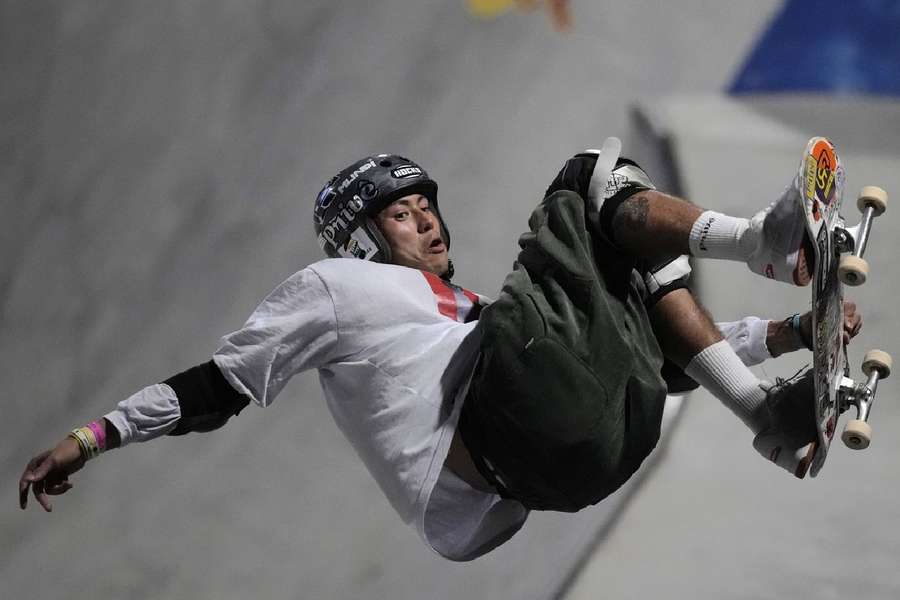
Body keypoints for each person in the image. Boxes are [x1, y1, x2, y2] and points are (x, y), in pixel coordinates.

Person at [19, 139, 862, 561]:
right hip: (508, 430)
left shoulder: (464, 322)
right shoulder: (334, 291)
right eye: (398, 212)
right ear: (357, 241)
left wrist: (789, 335)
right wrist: (94, 437)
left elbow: (640, 360)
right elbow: (219, 386)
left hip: (580, 461)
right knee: (590, 174)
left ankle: (768, 412)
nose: (425, 217)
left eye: (425, 203)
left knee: (632, 276)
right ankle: (762, 239)